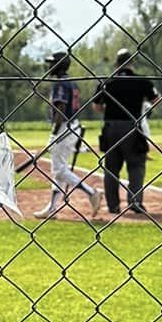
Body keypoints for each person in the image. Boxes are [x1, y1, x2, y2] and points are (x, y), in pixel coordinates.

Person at [92, 46, 160, 216]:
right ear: (132, 63)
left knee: (111, 168)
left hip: (111, 127)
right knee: (136, 165)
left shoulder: (107, 82)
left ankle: (113, 205)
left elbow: (96, 106)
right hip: (132, 126)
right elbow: (156, 99)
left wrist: (109, 109)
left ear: (117, 64)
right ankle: (135, 202)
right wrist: (143, 108)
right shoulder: (142, 81)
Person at [41, 49, 100, 216]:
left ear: (59, 66)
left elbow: (60, 108)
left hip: (63, 127)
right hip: (73, 125)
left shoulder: (61, 83)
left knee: (59, 170)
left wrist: (54, 133)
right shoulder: (72, 82)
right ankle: (52, 208)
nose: (49, 66)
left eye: (52, 64)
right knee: (59, 169)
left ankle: (91, 193)